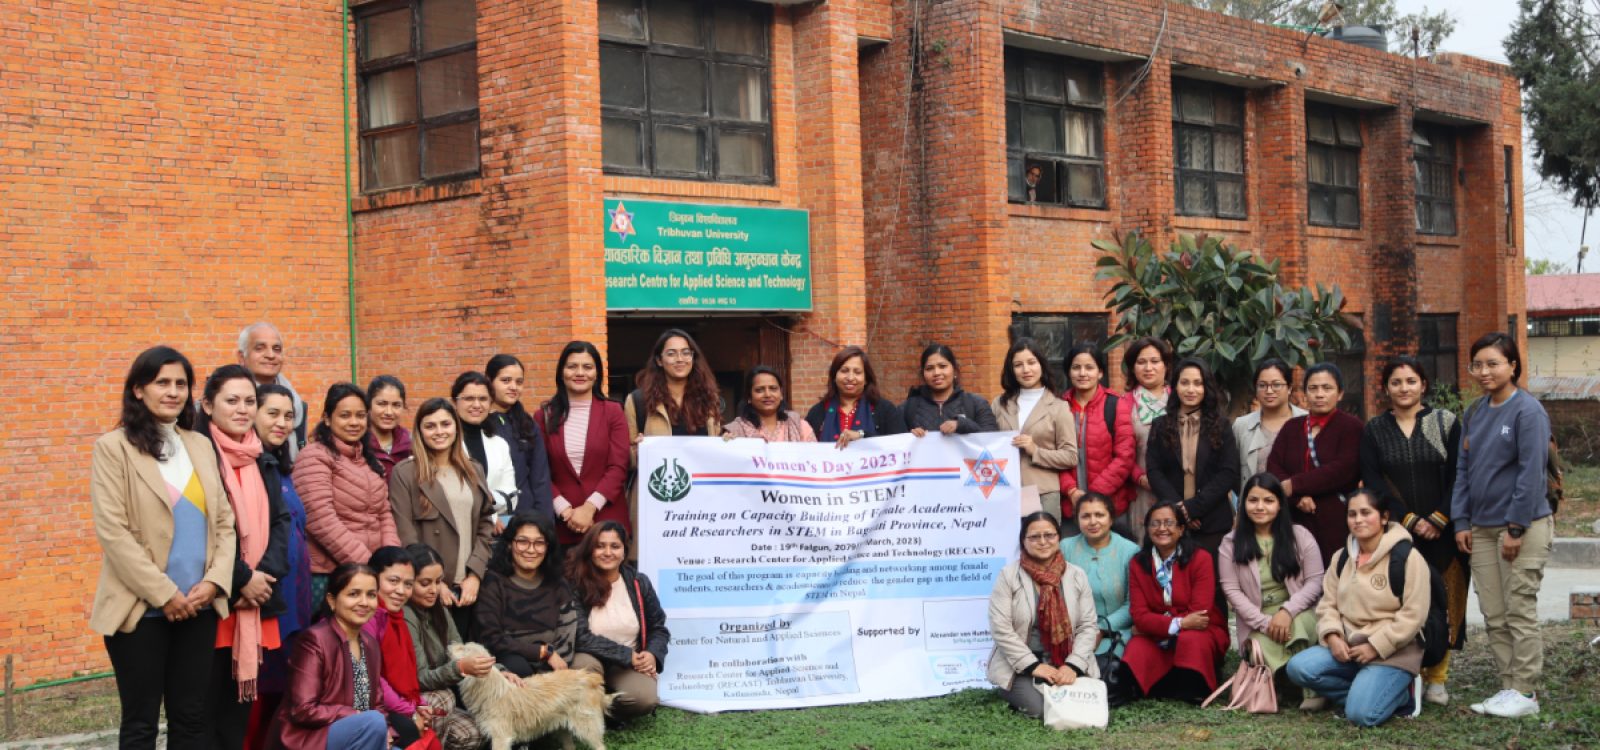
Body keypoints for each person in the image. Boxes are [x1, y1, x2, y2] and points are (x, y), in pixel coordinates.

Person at [91, 346, 235, 750]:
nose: (173, 392)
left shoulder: (200, 445)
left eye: (181, 384)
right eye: (162, 383)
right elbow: (114, 534)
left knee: (191, 719)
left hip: (199, 606)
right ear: (138, 390)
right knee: (140, 725)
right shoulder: (112, 448)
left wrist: (214, 582)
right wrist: (165, 594)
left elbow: (224, 523)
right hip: (141, 612)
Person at [1451, 332, 1554, 719]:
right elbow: (1464, 469)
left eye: (1493, 363)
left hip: (1522, 527)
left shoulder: (1528, 412)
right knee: (1493, 613)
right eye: (1477, 364)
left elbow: (1531, 475)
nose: (1484, 371)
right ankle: (1509, 686)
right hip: (1480, 527)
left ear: (1513, 366)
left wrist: (1515, 528)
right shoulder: (1475, 411)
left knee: (1519, 608)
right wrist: (1462, 519)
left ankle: (1526, 691)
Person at [194, 365, 292, 750]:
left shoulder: (261, 456)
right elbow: (203, 530)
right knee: (201, 714)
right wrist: (241, 578)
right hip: (218, 602)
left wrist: (264, 575)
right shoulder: (198, 457)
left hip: (255, 603)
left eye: (249, 401)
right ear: (207, 405)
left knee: (237, 718)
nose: (242, 409)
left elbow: (281, 521)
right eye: (231, 401)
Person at [1361, 356, 1467, 707]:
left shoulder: (1445, 422)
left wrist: (1440, 517)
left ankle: (1438, 677)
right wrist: (1407, 519)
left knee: (1446, 600)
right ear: (1386, 388)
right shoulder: (1376, 429)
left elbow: (1460, 474)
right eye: (1396, 382)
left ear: (1423, 384)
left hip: (1445, 530)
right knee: (1405, 603)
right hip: (1399, 532)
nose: (1403, 388)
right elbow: (1374, 479)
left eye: (1410, 381)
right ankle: (1410, 669)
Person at [1285, 490, 1428, 727]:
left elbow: (1414, 616)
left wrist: (1375, 646)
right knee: (1298, 668)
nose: (1358, 520)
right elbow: (1327, 604)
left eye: (1366, 513)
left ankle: (1403, 694)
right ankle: (1366, 691)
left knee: (1362, 716)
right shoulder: (1341, 558)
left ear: (1384, 517)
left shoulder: (1408, 558)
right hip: (1349, 649)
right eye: (1352, 514)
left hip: (1392, 653)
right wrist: (1332, 636)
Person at [388, 398, 496, 638]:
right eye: (430, 426)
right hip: (430, 589)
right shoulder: (405, 473)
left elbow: (486, 524)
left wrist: (475, 575)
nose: (439, 432)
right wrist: (434, 583)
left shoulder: (473, 469)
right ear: (420, 431)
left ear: (455, 427)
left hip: (470, 586)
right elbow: (405, 534)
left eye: (445, 424)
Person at [1218, 473, 1324, 708]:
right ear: (1243, 504)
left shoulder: (1300, 535)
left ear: (1279, 504)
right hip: (1257, 618)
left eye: (1268, 500)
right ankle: (1284, 684)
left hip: (1299, 611)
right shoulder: (1230, 543)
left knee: (1297, 629)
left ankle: (1311, 691)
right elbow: (1232, 591)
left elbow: (1315, 583)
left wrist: (1287, 612)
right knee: (1262, 645)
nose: (1260, 507)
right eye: (1253, 500)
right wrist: (1266, 623)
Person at [249, 383, 315, 748]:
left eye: (288, 415)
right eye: (272, 413)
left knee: (285, 698)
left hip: (294, 600)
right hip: (267, 602)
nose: (282, 422)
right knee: (263, 698)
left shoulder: (280, 466)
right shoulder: (249, 466)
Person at [294, 382, 399, 607]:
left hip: (368, 575)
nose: (354, 422)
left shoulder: (369, 462)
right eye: (345, 415)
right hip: (329, 575)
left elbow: (384, 514)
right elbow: (320, 518)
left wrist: (390, 559)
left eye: (360, 416)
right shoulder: (314, 456)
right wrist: (368, 564)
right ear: (327, 418)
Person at [987, 512, 1101, 719]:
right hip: (1022, 665)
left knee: (1080, 704)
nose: (1042, 542)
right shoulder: (1008, 576)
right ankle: (1014, 690)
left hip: (1066, 660)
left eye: (1049, 535)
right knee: (1040, 709)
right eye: (1034, 537)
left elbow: (1088, 626)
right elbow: (1000, 628)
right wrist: (1034, 666)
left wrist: (1072, 665)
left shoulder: (1076, 575)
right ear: (1023, 541)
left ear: (1058, 537)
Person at [264, 563, 391, 750]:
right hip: (310, 738)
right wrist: (355, 715)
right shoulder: (314, 640)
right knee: (373, 721)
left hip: (361, 732)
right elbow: (303, 710)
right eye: (354, 594)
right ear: (332, 600)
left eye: (371, 595)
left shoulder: (370, 643)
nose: (364, 602)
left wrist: (385, 731)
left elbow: (378, 703)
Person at [1122, 502, 1228, 703]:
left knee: (1192, 640)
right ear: (1147, 529)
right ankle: (1160, 687)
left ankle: (1195, 687)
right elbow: (1139, 614)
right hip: (1165, 631)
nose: (1162, 528)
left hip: (1201, 629)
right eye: (1155, 523)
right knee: (1137, 648)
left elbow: (1200, 613)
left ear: (1181, 529)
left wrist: (1156, 624)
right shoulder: (1138, 563)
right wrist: (1179, 623)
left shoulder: (1200, 558)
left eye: (1169, 523)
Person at [569, 521, 669, 721]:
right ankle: (583, 711)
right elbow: (579, 636)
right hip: (588, 658)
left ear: (624, 551)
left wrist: (650, 654)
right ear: (590, 550)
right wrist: (627, 655)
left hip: (626, 664)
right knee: (585, 667)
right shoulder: (575, 582)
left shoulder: (638, 582)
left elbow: (658, 628)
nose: (607, 552)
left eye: (615, 546)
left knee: (644, 699)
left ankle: (600, 713)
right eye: (600, 546)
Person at [1266, 362, 1363, 567]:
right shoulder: (1291, 427)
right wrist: (1297, 497)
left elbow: (1343, 469)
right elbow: (1274, 466)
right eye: (1313, 388)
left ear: (1340, 393)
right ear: (1304, 393)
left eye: (1327, 388)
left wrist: (1295, 485)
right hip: (1295, 519)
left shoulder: (1351, 427)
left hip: (1336, 521)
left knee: (1336, 577)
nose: (1319, 394)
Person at [1145, 357, 1239, 565]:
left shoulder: (1221, 425)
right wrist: (1180, 511)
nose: (1191, 389)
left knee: (1213, 588)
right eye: (1184, 382)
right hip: (1170, 524)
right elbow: (1154, 471)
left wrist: (1194, 508)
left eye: (1198, 383)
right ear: (1175, 386)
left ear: (1207, 387)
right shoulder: (1160, 425)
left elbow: (1228, 473)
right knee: (1174, 587)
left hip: (1212, 522)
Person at [541, 342, 633, 545]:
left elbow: (618, 466)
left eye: (587, 367)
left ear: (597, 373)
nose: (580, 373)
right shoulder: (544, 416)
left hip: (607, 525)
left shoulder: (613, 412)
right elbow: (539, 471)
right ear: (561, 372)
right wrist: (564, 510)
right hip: (561, 526)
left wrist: (589, 507)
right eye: (572, 366)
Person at [404, 544, 490, 750]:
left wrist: (498, 672)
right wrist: (459, 668)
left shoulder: (438, 609)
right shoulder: (406, 615)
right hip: (409, 700)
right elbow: (420, 679)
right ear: (407, 582)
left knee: (474, 733)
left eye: (438, 581)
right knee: (443, 700)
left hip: (434, 695)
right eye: (425, 583)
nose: (433, 590)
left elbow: (460, 648)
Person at [476, 514, 579, 677]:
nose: (531, 550)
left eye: (539, 543)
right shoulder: (493, 583)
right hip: (509, 661)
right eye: (523, 542)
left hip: (554, 661)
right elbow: (491, 638)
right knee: (518, 668)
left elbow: (567, 631)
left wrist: (551, 668)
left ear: (547, 547)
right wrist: (542, 652)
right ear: (510, 544)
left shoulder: (558, 583)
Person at [991, 339, 1077, 522]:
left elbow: (1070, 456)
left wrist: (1035, 451)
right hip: (1004, 490)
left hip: (1042, 491)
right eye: (1018, 365)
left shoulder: (1059, 407)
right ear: (1011, 370)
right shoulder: (999, 404)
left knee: (1042, 546)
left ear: (1041, 365)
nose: (1026, 370)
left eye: (1031, 362)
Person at [1058, 341, 1136, 536]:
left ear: (1100, 372)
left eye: (1089, 367)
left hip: (1110, 505)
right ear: (1069, 372)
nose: (1082, 373)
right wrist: (1072, 492)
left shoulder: (1115, 405)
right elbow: (1052, 456)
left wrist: (1095, 495)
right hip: (1070, 506)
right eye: (1076, 367)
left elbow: (1125, 457)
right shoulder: (1058, 407)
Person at [359, 547, 427, 746]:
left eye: (408, 584)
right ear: (374, 579)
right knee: (408, 730)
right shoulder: (367, 616)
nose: (401, 591)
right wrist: (410, 710)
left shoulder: (397, 617)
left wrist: (419, 705)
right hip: (366, 703)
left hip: (389, 702)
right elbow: (373, 678)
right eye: (393, 581)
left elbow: (407, 674)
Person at [1059, 493, 1140, 657]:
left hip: (1114, 633)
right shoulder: (1065, 548)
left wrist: (1101, 629)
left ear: (1111, 519)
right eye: (1086, 516)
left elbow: (1133, 604)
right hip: (1070, 633)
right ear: (1077, 520)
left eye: (1099, 515)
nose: (1093, 522)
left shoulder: (1130, 551)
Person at [485, 354, 556, 521]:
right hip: (489, 518)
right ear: (489, 381)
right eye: (506, 380)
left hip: (524, 516)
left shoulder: (527, 425)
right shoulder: (477, 423)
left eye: (519, 382)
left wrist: (544, 524)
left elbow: (540, 479)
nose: (513, 387)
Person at [452, 371, 521, 527]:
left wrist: (491, 500)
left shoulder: (499, 444)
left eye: (483, 399)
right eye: (469, 398)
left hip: (492, 533)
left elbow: (511, 495)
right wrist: (492, 515)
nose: (477, 405)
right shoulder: (444, 442)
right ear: (455, 402)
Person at [805, 345, 907, 448]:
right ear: (834, 376)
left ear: (866, 379)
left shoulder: (885, 410)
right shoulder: (818, 412)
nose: (850, 378)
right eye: (844, 371)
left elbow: (900, 446)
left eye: (857, 372)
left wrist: (862, 435)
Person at [1124, 337, 1173, 543]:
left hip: (1176, 486)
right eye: (1141, 362)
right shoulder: (1124, 404)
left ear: (1166, 365)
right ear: (1133, 368)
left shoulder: (1179, 400)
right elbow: (1121, 451)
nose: (1148, 367)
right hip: (1141, 489)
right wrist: (1141, 478)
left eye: (1155, 361)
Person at [1233, 359, 1306, 495]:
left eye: (1276, 385)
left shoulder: (1306, 421)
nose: (1269, 391)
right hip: (1254, 508)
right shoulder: (1241, 426)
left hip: (1297, 509)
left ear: (1289, 387)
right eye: (1262, 385)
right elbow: (1233, 473)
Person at [237, 322, 306, 461]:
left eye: (276, 349)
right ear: (241, 357)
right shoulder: (224, 403)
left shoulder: (297, 406)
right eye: (260, 348)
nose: (270, 355)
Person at [902, 344, 999, 436]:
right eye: (929, 368)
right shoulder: (908, 408)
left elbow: (991, 440)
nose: (936, 372)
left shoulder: (976, 404)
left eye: (942, 366)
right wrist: (909, 436)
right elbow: (895, 444)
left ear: (955, 370)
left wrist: (962, 424)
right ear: (923, 373)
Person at [724, 365, 817, 442]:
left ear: (781, 394)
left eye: (773, 388)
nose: (767, 394)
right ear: (749, 397)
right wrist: (727, 443)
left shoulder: (799, 426)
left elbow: (815, 457)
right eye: (759, 390)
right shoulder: (737, 429)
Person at [365, 375, 412, 480]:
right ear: (368, 405)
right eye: (382, 404)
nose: (389, 412)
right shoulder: (356, 445)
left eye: (396, 405)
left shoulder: (412, 445)